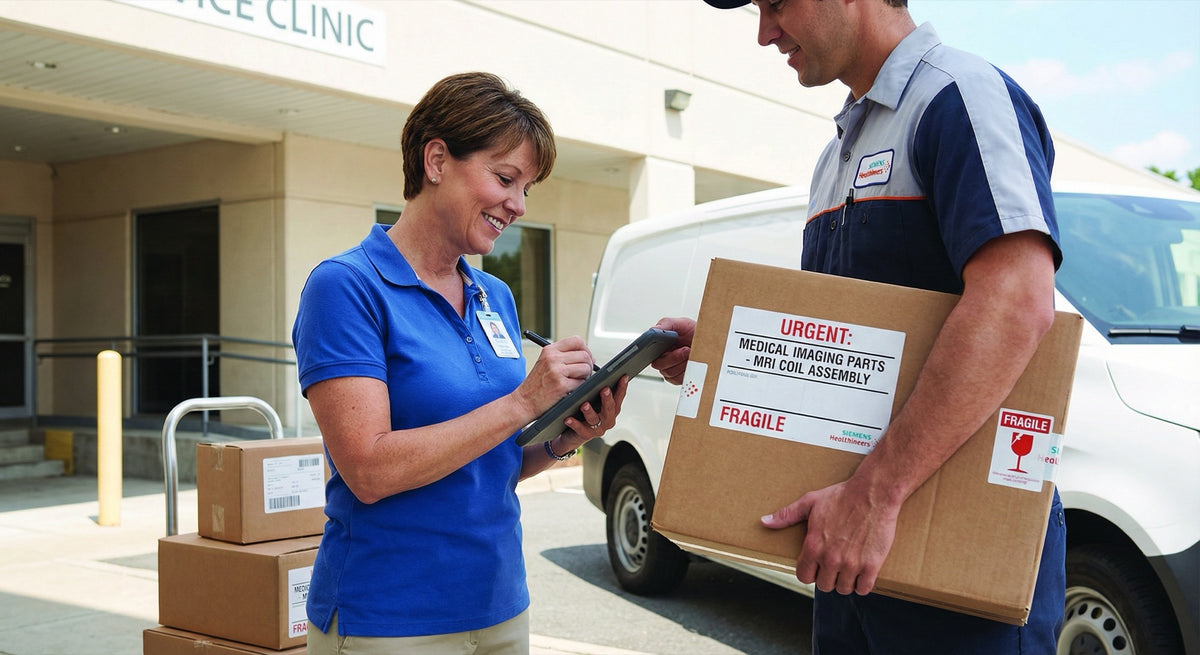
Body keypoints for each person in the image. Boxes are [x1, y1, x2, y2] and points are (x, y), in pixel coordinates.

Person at [653, 1, 1063, 652]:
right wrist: (734, 352)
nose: (763, 33)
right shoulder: (835, 159)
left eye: (776, 3)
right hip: (849, 559)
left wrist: (876, 494)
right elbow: (847, 343)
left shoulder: (959, 97)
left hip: (951, 561)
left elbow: (1017, 303)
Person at [292, 71, 627, 655]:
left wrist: (566, 436)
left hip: (498, 606)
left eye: (527, 189)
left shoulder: (492, 295)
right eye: (505, 179)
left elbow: (491, 463)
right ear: (437, 159)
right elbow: (367, 471)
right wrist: (523, 402)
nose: (518, 206)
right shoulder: (345, 288)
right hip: (390, 620)